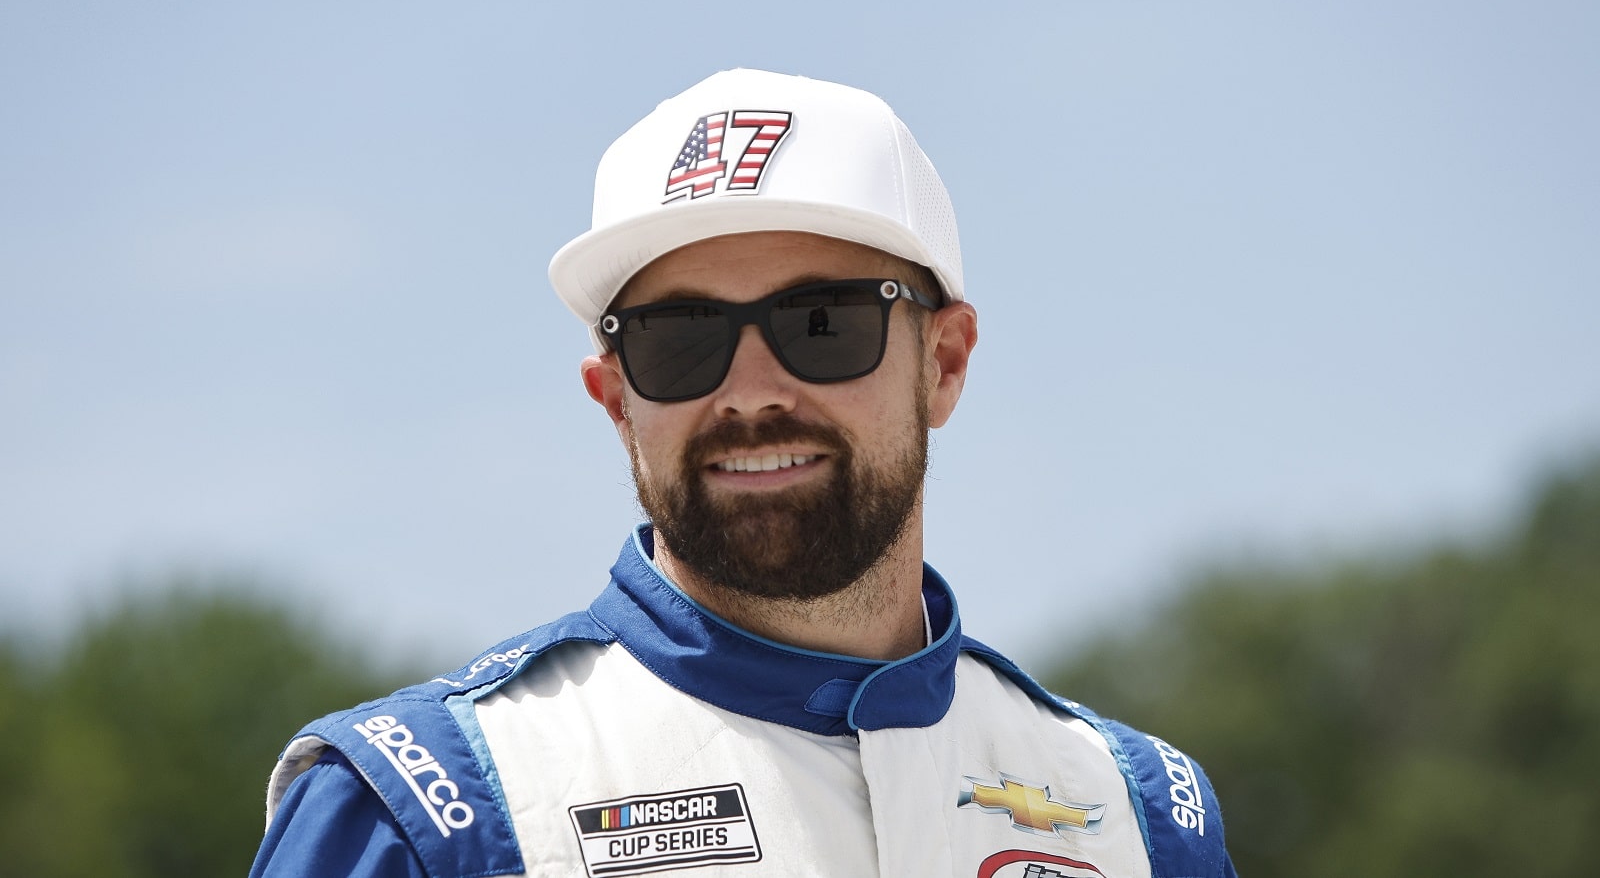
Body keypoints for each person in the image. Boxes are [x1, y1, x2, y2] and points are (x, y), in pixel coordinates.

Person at [250, 68, 1237, 878]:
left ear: (944, 361)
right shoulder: (420, 814)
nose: (751, 391)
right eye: (679, 338)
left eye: (822, 323)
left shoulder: (1141, 815)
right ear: (615, 396)